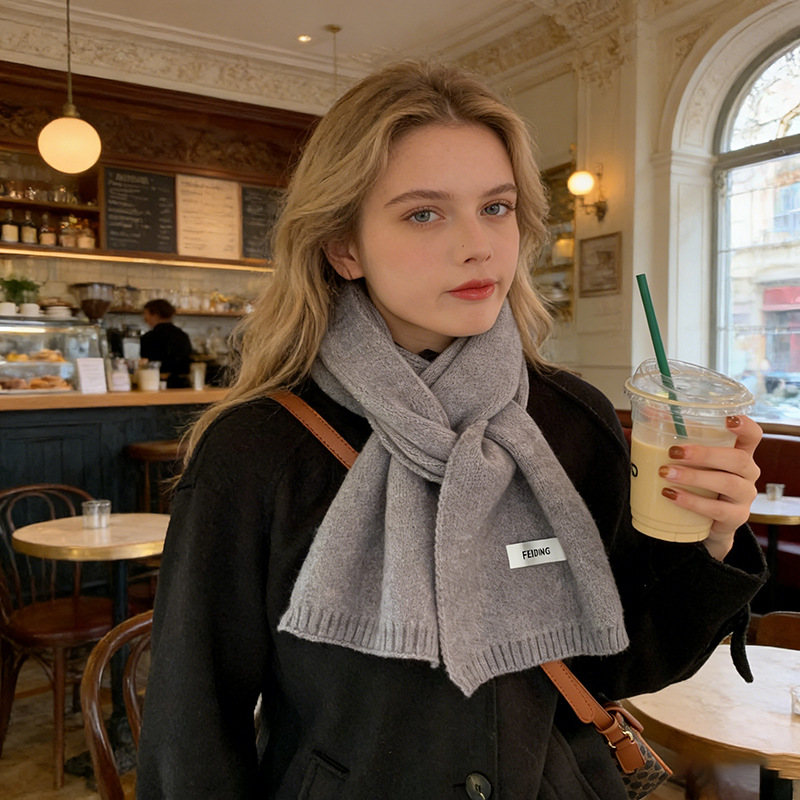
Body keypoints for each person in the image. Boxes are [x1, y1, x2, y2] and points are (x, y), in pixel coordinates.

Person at [137, 61, 766, 799]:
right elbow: (192, 730)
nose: (479, 246)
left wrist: (711, 538)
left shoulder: (572, 418)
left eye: (496, 207)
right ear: (344, 247)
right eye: (424, 214)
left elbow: (621, 663)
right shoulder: (256, 450)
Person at [139, 299, 192, 388]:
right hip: (183, 384)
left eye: (146, 314)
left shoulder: (149, 338)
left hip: (155, 384)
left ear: (155, 316)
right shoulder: (182, 335)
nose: (144, 317)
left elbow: (147, 365)